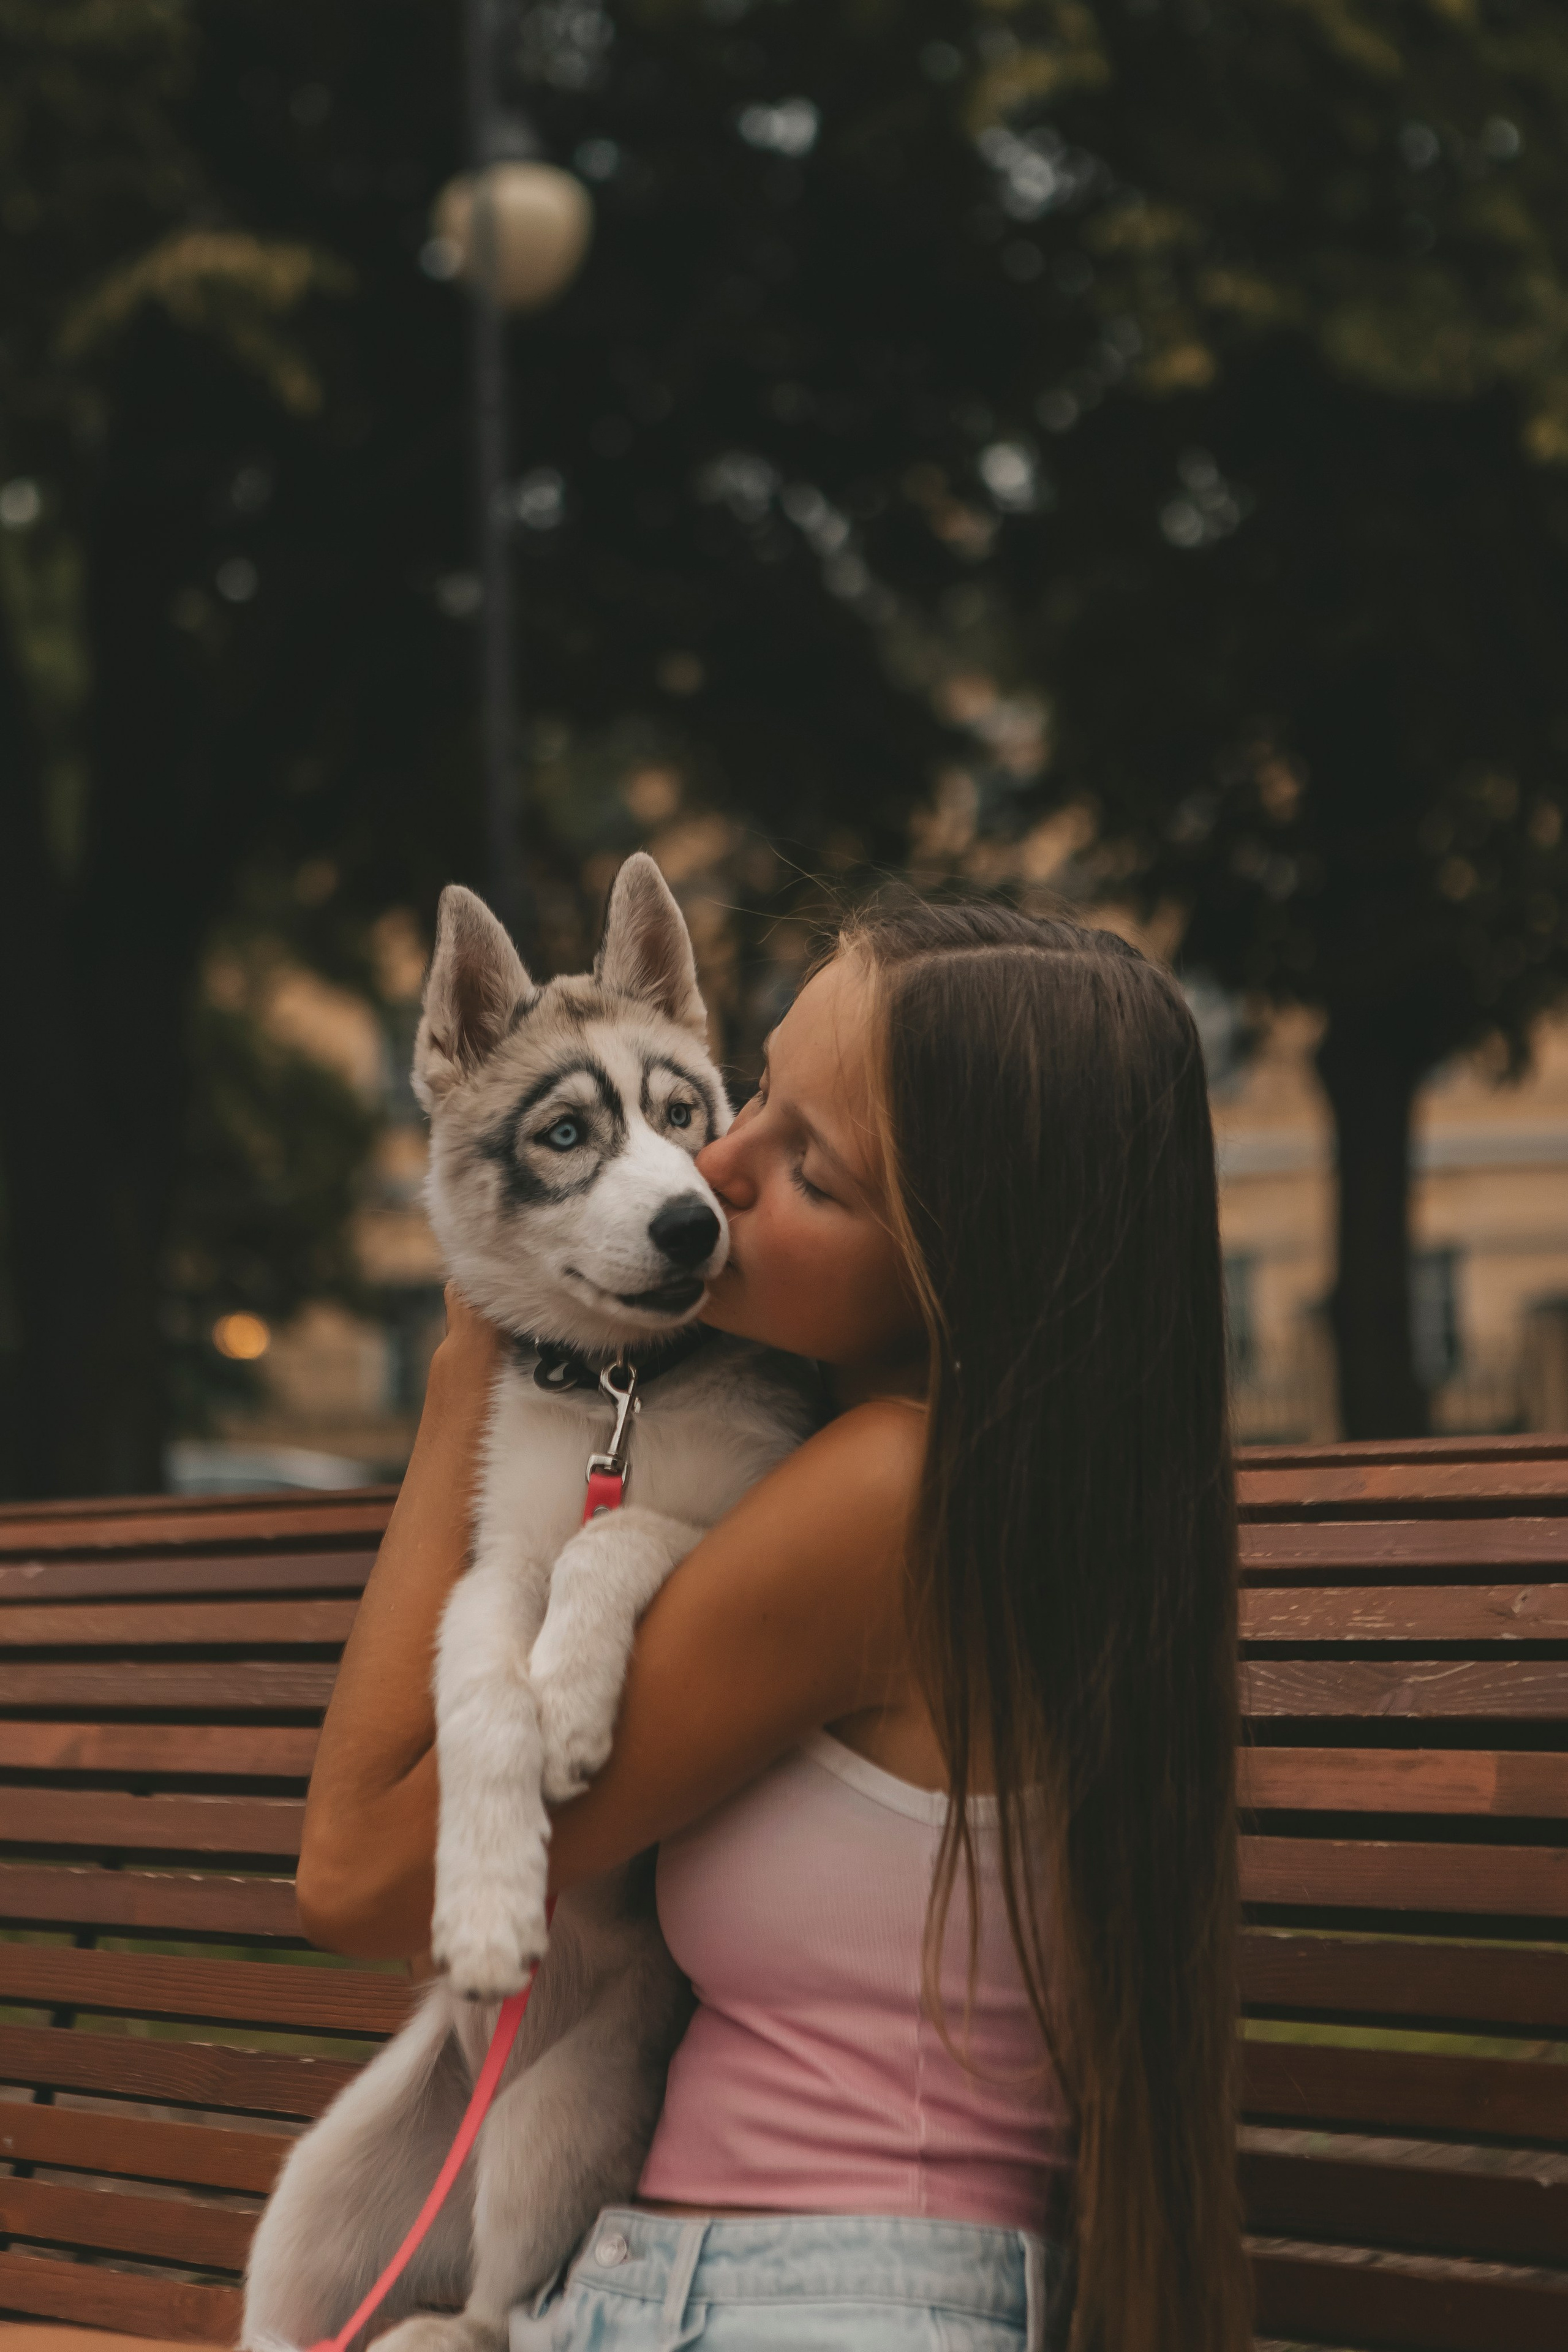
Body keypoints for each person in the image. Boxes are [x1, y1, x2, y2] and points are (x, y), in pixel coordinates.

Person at [296, 897, 1249, 2352]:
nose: (705, 1168)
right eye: (750, 1098)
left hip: (794, 2305)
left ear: (964, 1256)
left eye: (810, 1169)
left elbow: (361, 1873)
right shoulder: (985, 1481)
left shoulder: (878, 1504)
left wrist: (469, 1355)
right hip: (727, 2289)